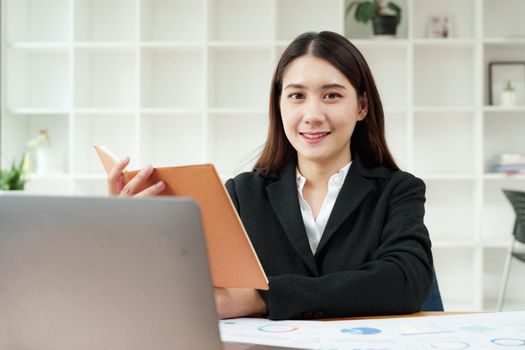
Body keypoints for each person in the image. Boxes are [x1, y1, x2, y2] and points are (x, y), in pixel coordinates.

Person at [107, 31, 433, 320]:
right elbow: (185, 289)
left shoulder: (398, 190)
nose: (313, 115)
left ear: (361, 106)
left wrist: (261, 299)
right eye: (297, 96)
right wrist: (131, 236)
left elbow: (406, 281)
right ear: (279, 105)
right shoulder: (242, 194)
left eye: (332, 95)